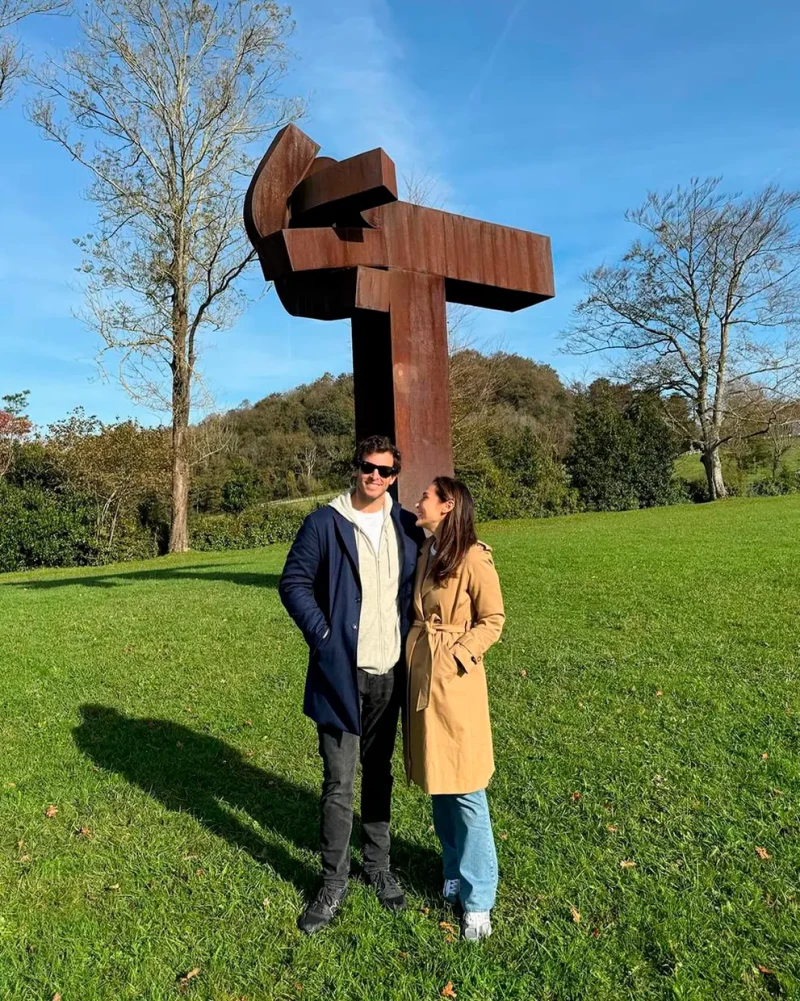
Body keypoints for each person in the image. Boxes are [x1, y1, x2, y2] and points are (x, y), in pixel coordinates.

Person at [279, 435, 423, 934]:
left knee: (379, 773)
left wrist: (473, 547)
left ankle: (378, 867)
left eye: (385, 471)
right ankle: (333, 880)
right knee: (340, 782)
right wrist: (322, 634)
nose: (375, 477)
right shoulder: (324, 522)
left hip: (390, 672)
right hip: (341, 675)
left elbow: (441, 559)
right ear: (355, 467)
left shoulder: (406, 524)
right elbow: (293, 583)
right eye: (368, 467)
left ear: (395, 475)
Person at [405, 476, 505, 941]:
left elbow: (493, 619)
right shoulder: (428, 552)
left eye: (426, 495)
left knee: (465, 787)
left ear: (447, 506)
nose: (417, 500)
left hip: (455, 682)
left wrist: (459, 656)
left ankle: (479, 898)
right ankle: (452, 870)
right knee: (439, 782)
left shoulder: (472, 556)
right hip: (423, 673)